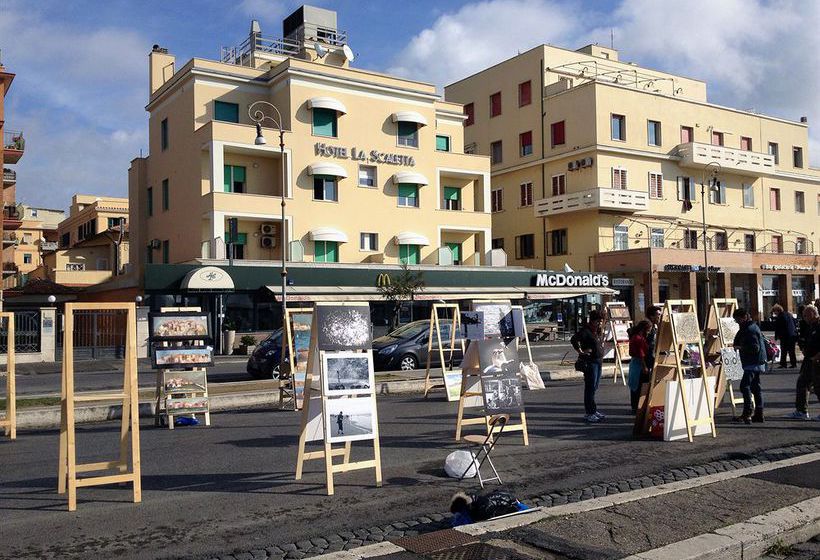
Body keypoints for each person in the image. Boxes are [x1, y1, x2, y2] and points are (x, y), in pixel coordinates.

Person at [784, 305, 820, 420]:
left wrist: (817, 356)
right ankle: (801, 411)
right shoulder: (810, 326)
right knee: (802, 383)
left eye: (805, 315)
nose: (804, 318)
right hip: (809, 360)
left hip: (817, 361)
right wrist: (804, 348)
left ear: (812, 314)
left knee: (818, 387)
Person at [732, 308, 766, 424]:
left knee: (744, 386)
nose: (737, 322)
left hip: (752, 362)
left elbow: (755, 348)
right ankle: (759, 413)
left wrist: (740, 347)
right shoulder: (750, 327)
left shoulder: (750, 329)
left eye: (738, 319)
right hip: (756, 361)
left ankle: (748, 413)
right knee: (756, 387)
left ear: (745, 317)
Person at [571, 310, 605, 423]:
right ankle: (589, 412)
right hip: (591, 362)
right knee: (590, 387)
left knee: (595, 386)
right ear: (593, 320)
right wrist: (581, 351)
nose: (599, 323)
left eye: (601, 321)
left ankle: (593, 410)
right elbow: (574, 339)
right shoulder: (586, 331)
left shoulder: (597, 331)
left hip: (598, 361)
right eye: (598, 321)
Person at [628, 320, 652, 413]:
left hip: (635, 363)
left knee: (636, 386)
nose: (648, 332)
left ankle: (635, 406)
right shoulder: (638, 338)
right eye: (648, 330)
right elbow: (641, 354)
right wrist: (644, 366)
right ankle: (637, 407)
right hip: (639, 364)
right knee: (639, 386)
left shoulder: (636, 336)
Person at [772, 304, 797, 368]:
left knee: (784, 350)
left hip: (785, 336)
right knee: (791, 350)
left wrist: (776, 336)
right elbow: (794, 322)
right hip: (792, 335)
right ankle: (793, 364)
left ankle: (783, 364)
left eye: (774, 311)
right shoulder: (789, 314)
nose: (774, 313)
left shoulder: (780, 316)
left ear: (777, 310)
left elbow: (778, 327)